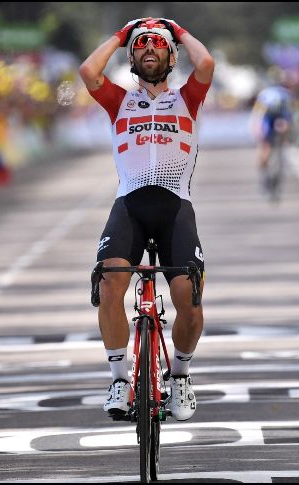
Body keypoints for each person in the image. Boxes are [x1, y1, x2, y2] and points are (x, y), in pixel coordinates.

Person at [79, 17, 214, 421]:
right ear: (131, 57)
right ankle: (120, 379)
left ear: (171, 57)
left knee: (189, 298)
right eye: (140, 45)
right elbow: (88, 71)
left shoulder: (187, 98)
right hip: (130, 206)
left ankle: (180, 377)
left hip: (175, 208)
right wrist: (123, 33)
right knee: (109, 284)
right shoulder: (119, 101)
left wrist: (178, 30)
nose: (149, 48)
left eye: (157, 43)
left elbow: (206, 64)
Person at [250, 70, 294, 199]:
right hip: (271, 118)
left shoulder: (271, 93)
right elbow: (259, 114)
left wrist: (255, 128)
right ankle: (265, 172)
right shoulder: (281, 93)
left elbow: (257, 114)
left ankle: (268, 167)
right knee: (268, 145)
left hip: (274, 118)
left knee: (266, 145)